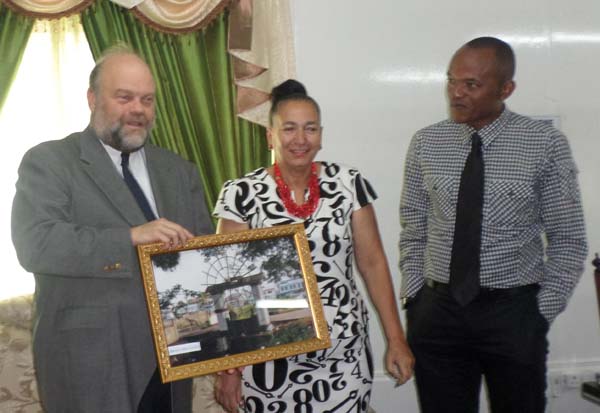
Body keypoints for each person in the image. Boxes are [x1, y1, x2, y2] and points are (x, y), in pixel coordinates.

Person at [11, 45, 214, 412]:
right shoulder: (50, 161)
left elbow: (204, 258)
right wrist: (130, 238)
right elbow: (35, 243)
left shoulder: (179, 171)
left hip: (172, 364)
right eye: (124, 97)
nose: (138, 109)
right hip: (90, 365)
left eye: (147, 100)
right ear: (92, 98)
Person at [399, 36, 587, 413]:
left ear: (506, 88)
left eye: (471, 84)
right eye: (452, 80)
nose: (457, 93)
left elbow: (568, 240)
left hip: (512, 312)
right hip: (438, 313)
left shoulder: (544, 144)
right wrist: (416, 297)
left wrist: (538, 313)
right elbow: (413, 227)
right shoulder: (426, 142)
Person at [212, 79, 414, 412]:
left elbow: (374, 263)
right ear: (270, 135)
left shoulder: (348, 184)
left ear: (321, 134)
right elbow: (227, 287)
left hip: (343, 353)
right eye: (289, 129)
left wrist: (396, 339)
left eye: (310, 129)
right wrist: (229, 370)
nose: (300, 140)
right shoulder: (241, 194)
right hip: (267, 360)